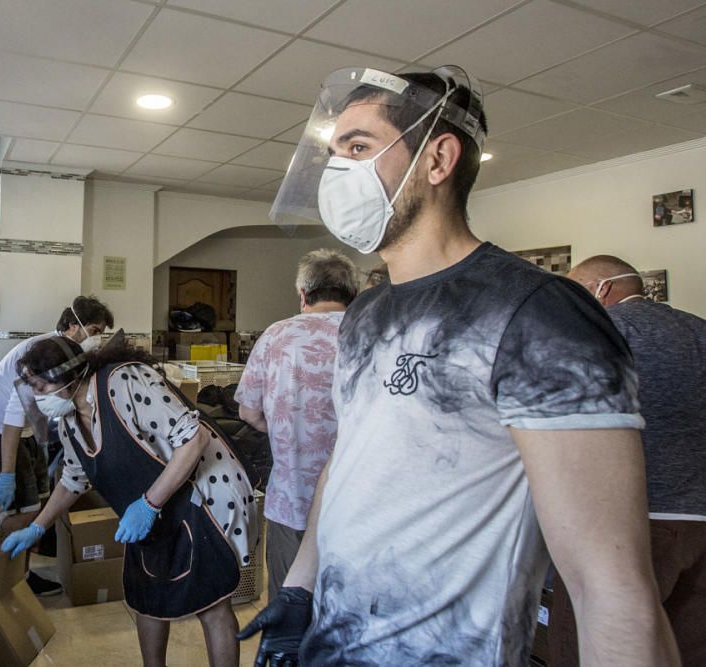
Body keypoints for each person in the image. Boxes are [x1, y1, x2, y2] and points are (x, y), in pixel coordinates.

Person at [238, 65, 679, 666]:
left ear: (438, 159)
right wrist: (301, 585)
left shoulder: (538, 314)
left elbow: (613, 586)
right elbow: (350, 459)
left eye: (359, 147)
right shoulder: (367, 313)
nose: (337, 172)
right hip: (336, 640)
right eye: (334, 151)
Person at [0, 336, 257, 667]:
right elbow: (73, 480)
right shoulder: (69, 421)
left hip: (201, 498)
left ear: (63, 376)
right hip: (150, 512)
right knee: (146, 598)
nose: (37, 396)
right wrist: (37, 526)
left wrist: (149, 505)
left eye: (39, 386)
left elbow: (194, 439)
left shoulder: (123, 381)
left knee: (211, 602)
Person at [555, 255, 706, 665]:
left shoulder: (602, 329)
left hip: (630, 526)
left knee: (591, 646)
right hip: (699, 522)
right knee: (687, 650)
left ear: (601, 290)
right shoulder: (700, 329)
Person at [235, 248, 358, 599]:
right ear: (353, 294)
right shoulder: (369, 335)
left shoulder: (276, 336)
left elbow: (248, 413)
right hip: (354, 505)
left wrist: (288, 429)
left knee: (289, 610)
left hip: (291, 501)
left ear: (303, 294)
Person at [0, 295, 113, 596]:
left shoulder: (66, 354)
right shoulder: (43, 354)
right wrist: (7, 473)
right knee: (16, 512)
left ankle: (22, 576)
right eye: (95, 329)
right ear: (73, 326)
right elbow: (13, 414)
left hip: (25, 431)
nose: (98, 338)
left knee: (36, 504)